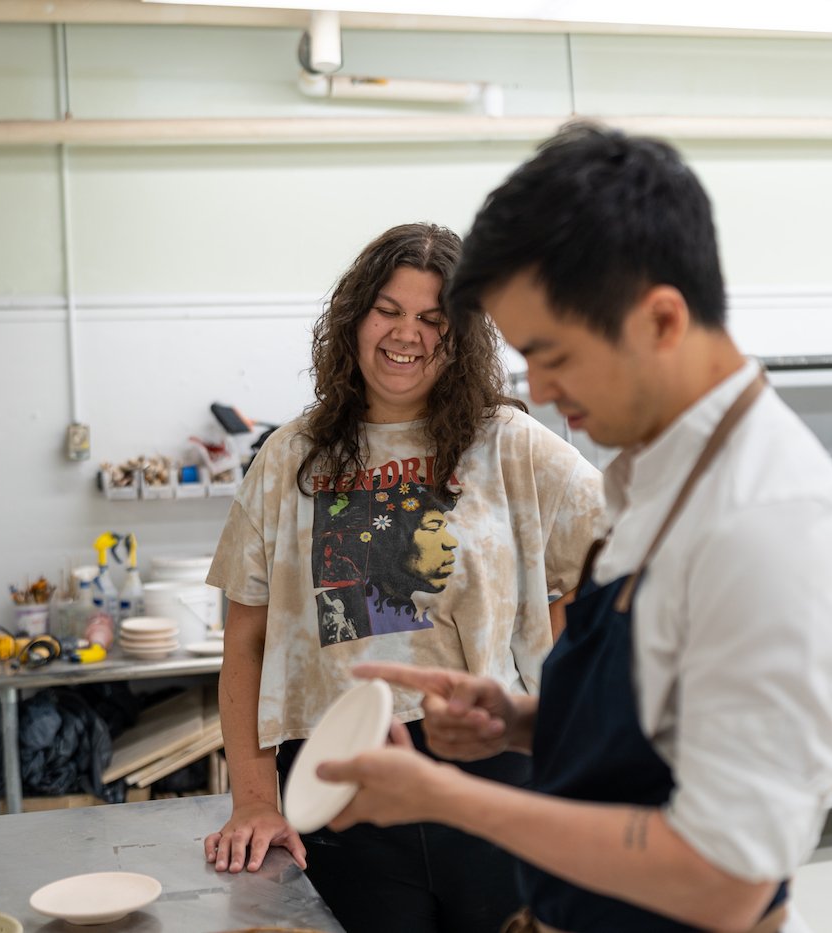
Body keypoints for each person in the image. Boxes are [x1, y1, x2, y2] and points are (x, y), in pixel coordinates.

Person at [315, 125, 832, 933]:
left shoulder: (768, 529)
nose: (544, 392)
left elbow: (722, 878)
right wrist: (518, 720)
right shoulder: (658, 473)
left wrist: (446, 796)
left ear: (661, 320)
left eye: (554, 354)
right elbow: (664, 721)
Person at [203, 222, 608, 933]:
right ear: (355, 318)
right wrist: (254, 798)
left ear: (460, 336)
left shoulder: (509, 445)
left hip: (487, 782)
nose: (407, 334)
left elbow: (618, 562)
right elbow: (245, 640)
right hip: (339, 789)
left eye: (432, 318)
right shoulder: (289, 458)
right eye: (388, 310)